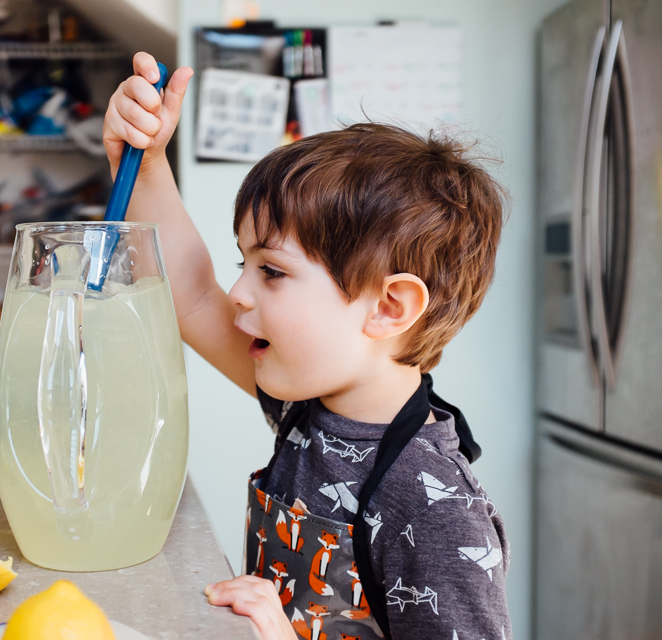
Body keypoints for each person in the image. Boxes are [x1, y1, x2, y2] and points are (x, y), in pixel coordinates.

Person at [102, 52, 512, 640]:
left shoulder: (438, 512)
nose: (238, 292)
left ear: (389, 307)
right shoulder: (311, 411)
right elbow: (191, 297)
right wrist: (144, 166)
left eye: (271, 271)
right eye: (242, 263)